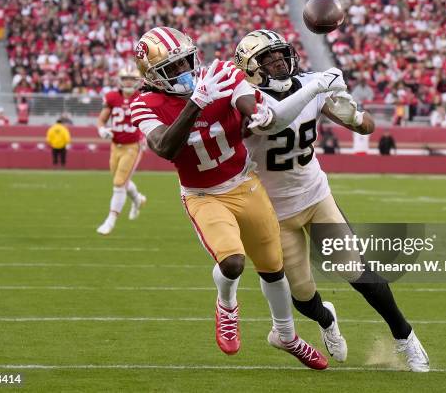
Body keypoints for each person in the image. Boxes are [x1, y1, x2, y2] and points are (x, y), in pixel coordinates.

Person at [129, 26, 345, 369]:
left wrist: (257, 111)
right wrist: (196, 103)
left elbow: (252, 105)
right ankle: (226, 304)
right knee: (232, 262)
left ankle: (287, 336)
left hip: (245, 183)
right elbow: (165, 147)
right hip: (203, 195)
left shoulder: (222, 74)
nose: (184, 72)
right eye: (172, 69)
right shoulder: (145, 103)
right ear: (153, 76)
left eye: (186, 62)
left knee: (274, 270)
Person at [234, 29, 429, 371]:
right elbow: (268, 120)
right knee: (303, 295)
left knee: (357, 271)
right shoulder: (243, 99)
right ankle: (327, 321)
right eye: (268, 58)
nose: (279, 62)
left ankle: (405, 337)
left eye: (281, 54)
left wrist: (352, 112)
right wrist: (315, 89)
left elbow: (365, 127)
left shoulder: (310, 85)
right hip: (273, 212)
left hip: (314, 196)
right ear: (251, 67)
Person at [95, 65, 147, 235]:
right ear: (120, 80)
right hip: (115, 145)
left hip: (133, 146)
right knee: (121, 180)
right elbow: (102, 120)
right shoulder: (112, 97)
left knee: (119, 183)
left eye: (131, 78)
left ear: (137, 81)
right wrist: (101, 130)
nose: (128, 82)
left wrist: (146, 136)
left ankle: (110, 221)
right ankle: (138, 199)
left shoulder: (142, 98)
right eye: (125, 78)